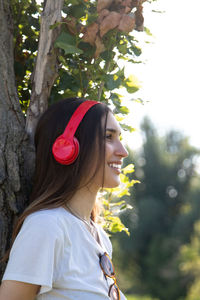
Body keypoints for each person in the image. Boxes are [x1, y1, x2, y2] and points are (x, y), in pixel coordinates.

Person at [0, 97, 128, 300]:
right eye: (108, 137)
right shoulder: (46, 226)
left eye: (120, 138)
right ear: (67, 147)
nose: (123, 152)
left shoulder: (100, 237)